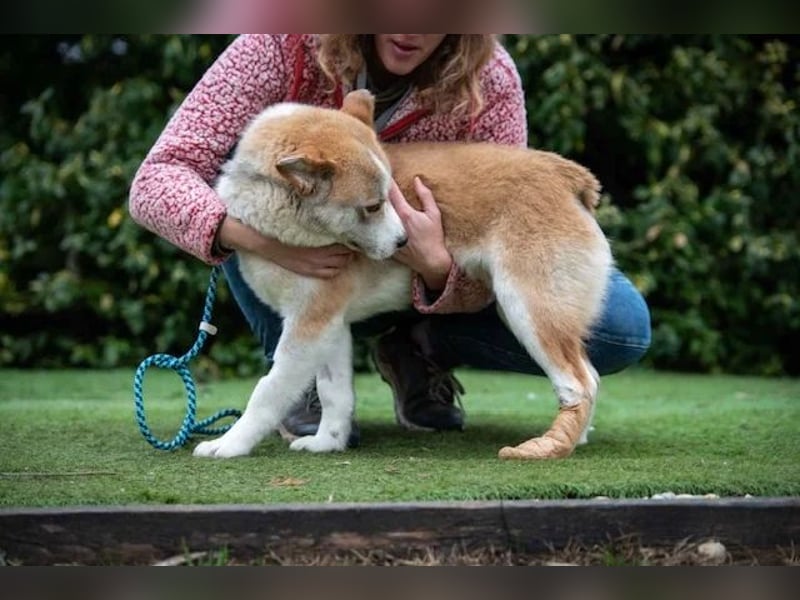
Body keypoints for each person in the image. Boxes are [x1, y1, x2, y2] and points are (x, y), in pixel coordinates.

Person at [129, 34, 651, 449]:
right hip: (280, 258)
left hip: (413, 280)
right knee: (265, 244)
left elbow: (500, 208)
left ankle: (416, 349)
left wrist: (437, 268)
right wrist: (257, 240)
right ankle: (301, 379)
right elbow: (157, 180)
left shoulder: (489, 79)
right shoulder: (279, 44)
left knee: (621, 331)